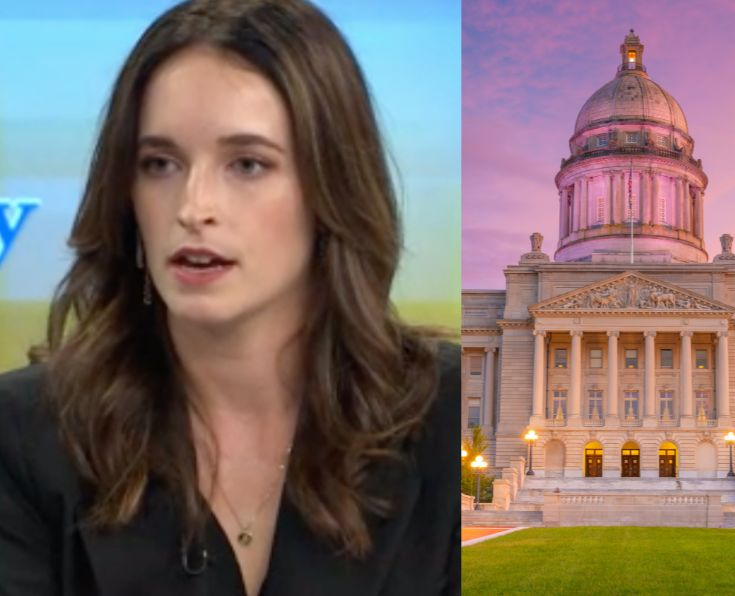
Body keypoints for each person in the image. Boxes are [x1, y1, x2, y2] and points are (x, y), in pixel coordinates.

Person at [0, 1, 459, 594]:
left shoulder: (445, 416)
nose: (193, 208)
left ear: (331, 188)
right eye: (160, 163)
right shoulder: (21, 436)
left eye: (246, 164)